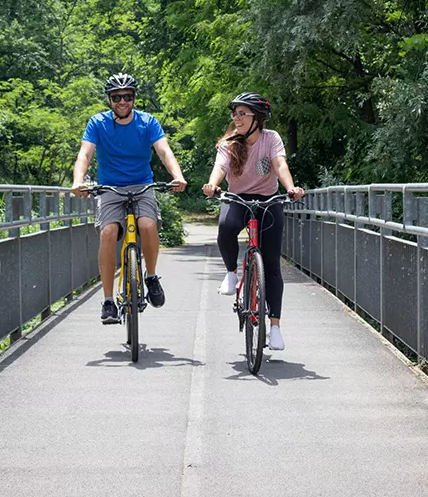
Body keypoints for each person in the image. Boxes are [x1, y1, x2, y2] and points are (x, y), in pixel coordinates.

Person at [72, 73, 187, 324]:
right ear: (109, 100)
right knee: (108, 232)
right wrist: (78, 181)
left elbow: (164, 151)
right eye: (116, 97)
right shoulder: (97, 123)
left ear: (134, 97)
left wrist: (177, 176)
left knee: (147, 225)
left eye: (127, 96)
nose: (122, 101)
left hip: (142, 185)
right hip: (109, 187)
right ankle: (108, 301)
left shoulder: (148, 122)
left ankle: (152, 276)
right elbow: (85, 154)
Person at [201, 92, 305, 350]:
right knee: (225, 228)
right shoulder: (229, 143)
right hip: (237, 197)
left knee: (271, 265)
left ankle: (276, 328)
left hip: (268, 200)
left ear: (257, 118)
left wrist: (290, 188)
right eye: (234, 113)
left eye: (242, 113)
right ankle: (231, 274)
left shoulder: (271, 139)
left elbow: (280, 165)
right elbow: (221, 167)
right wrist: (213, 184)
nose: (236, 118)